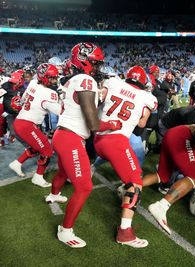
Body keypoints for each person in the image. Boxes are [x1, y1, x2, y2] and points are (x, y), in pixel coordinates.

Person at [45, 42, 122, 248]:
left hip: (63, 134)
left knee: (63, 172)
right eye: (95, 63)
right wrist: (113, 124)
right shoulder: (85, 80)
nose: (97, 68)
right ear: (84, 61)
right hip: (70, 137)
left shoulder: (73, 80)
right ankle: (65, 230)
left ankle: (53, 194)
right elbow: (94, 124)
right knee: (84, 186)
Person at [94, 65, 157, 248]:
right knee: (136, 183)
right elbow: (141, 124)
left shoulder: (113, 82)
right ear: (144, 82)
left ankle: (122, 187)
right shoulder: (148, 97)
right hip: (116, 141)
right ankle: (125, 233)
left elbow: (99, 100)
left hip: (99, 137)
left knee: (131, 175)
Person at [8, 64, 61, 187]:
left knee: (37, 147)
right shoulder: (49, 94)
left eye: (55, 77)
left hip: (21, 121)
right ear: (44, 77)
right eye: (52, 78)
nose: (54, 80)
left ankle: (17, 163)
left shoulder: (33, 83)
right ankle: (38, 177)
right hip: (27, 125)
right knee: (47, 150)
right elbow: (60, 111)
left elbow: (23, 100)